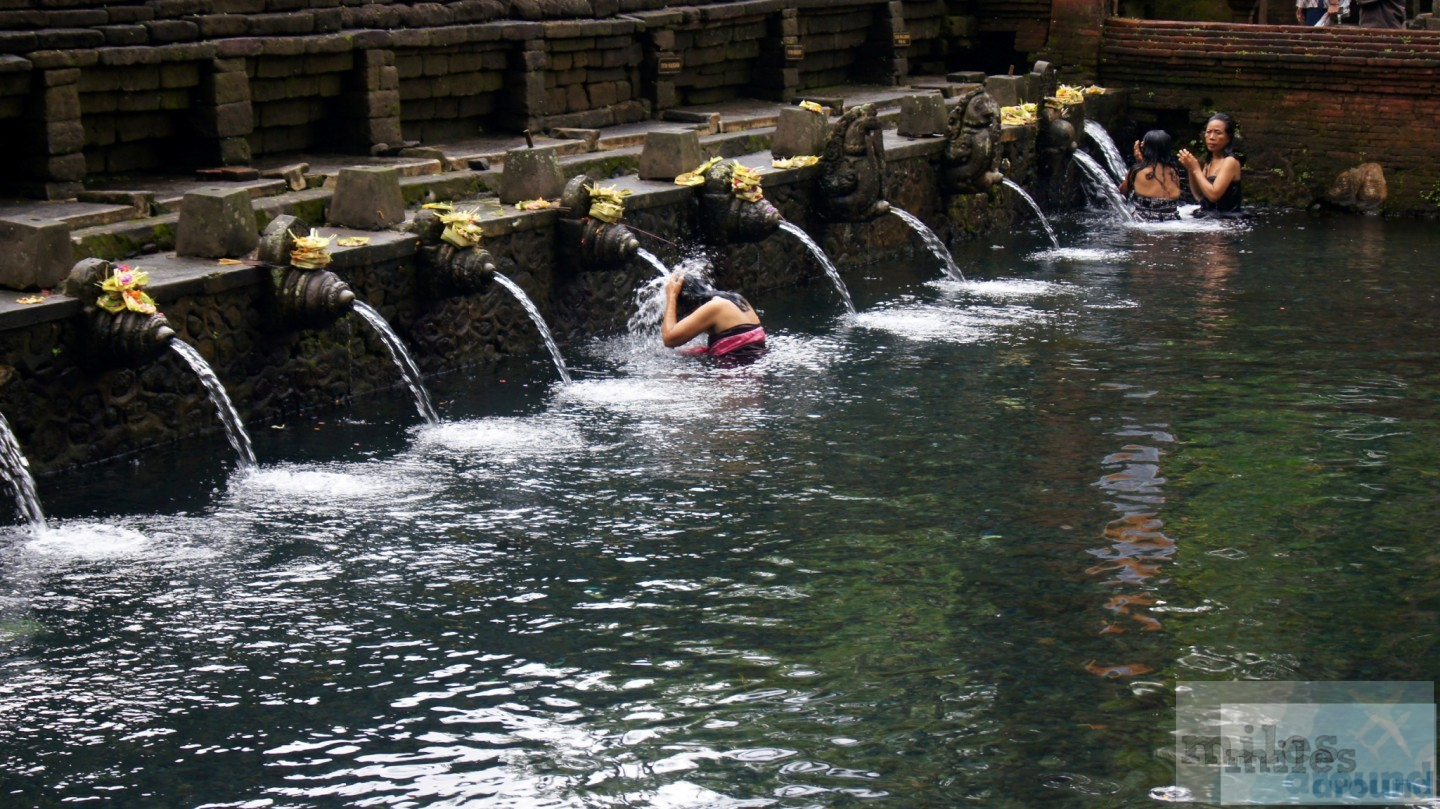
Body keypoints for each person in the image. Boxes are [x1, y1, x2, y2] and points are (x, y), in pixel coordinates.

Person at [662, 271, 767, 360]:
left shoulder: (715, 307)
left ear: (687, 303)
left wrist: (672, 296)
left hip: (736, 378)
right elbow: (743, 347)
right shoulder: (737, 299)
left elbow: (669, 339)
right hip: (753, 372)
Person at [1177, 112, 1242, 217]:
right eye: (1209, 132)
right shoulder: (1210, 161)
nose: (1211, 137)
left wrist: (1196, 169)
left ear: (1228, 137)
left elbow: (1213, 195)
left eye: (1218, 133)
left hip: (1226, 218)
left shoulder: (1230, 161)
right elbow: (1199, 196)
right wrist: (1191, 169)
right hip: (1209, 216)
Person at [1117, 129, 1182, 222]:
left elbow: (1121, 193)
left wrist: (1139, 164)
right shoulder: (1174, 171)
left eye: (1144, 144)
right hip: (1172, 220)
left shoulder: (1137, 171)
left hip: (1144, 222)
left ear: (1147, 149)